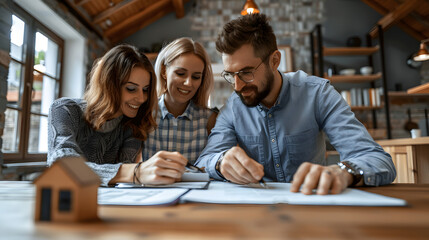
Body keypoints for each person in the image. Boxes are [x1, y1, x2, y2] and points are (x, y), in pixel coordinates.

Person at [195, 14, 396, 195]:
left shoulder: (317, 94)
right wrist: (220, 163)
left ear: (274, 61)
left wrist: (345, 172)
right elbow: (204, 162)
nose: (237, 86)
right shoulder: (232, 108)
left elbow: (377, 159)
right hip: (258, 212)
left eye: (246, 73)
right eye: (230, 75)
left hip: (312, 204)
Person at [48, 44, 187, 186]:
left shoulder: (132, 126)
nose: (141, 98)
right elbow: (62, 162)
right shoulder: (65, 109)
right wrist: (135, 172)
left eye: (145, 90)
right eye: (131, 89)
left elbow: (122, 180)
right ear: (108, 84)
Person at [142, 37, 217, 165]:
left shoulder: (210, 120)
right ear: (164, 71)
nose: (188, 83)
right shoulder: (144, 113)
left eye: (196, 77)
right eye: (181, 73)